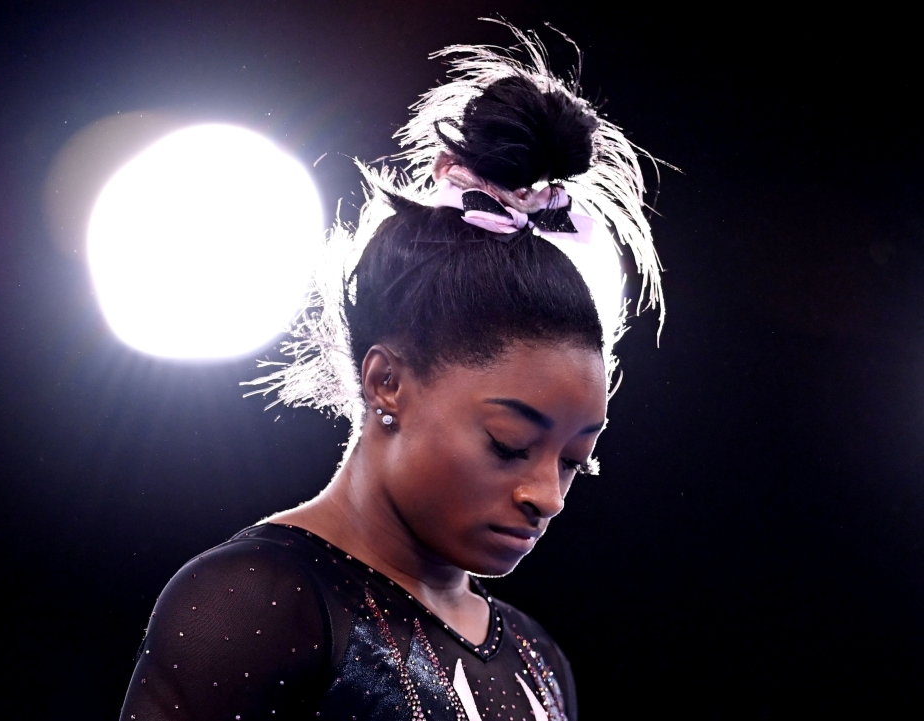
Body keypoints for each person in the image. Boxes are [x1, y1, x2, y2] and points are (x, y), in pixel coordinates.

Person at [119, 24, 663, 721]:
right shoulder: (262, 600)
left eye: (574, 461)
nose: (546, 495)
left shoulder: (539, 662)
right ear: (387, 383)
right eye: (507, 443)